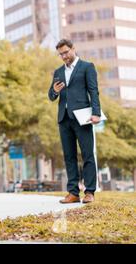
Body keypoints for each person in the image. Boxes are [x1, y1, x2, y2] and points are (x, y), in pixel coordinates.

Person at [48, 39, 101, 204]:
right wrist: (54, 92)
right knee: (69, 156)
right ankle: (73, 193)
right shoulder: (58, 72)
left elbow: (93, 91)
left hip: (82, 118)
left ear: (73, 49)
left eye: (65, 52)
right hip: (64, 119)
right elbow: (51, 96)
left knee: (87, 155)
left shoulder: (87, 67)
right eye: (61, 54)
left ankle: (90, 192)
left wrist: (96, 113)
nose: (63, 56)